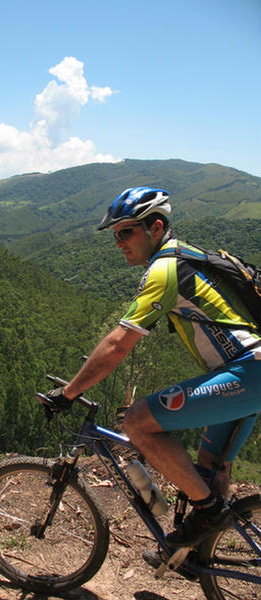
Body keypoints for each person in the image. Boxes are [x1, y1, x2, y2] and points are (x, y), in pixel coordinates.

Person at [47, 186, 261, 548]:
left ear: (156, 228)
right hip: (245, 374)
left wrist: (69, 392)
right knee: (210, 469)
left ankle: (208, 514)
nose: (118, 242)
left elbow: (118, 345)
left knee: (136, 423)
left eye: (126, 232)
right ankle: (198, 560)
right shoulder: (185, 255)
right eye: (115, 235)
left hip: (248, 372)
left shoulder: (164, 271)